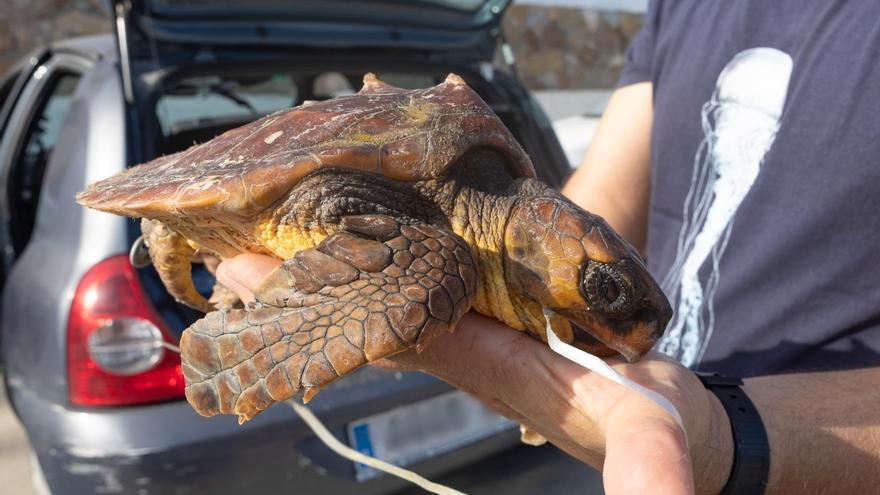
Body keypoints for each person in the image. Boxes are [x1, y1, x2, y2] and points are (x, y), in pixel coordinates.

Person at [213, 1, 880, 493]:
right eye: (607, 294)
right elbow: (597, 206)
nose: (630, 332)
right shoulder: (687, 5)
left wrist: (734, 438)